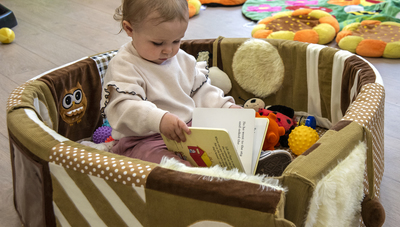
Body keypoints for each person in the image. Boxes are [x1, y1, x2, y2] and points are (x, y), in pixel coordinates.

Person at [101, 0, 241, 166]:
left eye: (176, 41)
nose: (169, 50)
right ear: (130, 29)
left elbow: (201, 91)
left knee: (226, 140)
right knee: (169, 165)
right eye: (158, 43)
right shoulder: (125, 65)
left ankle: (248, 160)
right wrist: (158, 119)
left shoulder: (182, 59)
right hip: (143, 140)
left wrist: (225, 107)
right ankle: (197, 177)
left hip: (188, 132)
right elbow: (123, 108)